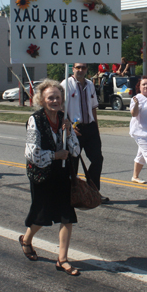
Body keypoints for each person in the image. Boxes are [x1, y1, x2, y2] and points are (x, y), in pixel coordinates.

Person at [20, 79, 81, 276]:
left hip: (62, 173)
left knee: (66, 216)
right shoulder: (35, 120)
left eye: (58, 97)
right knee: (41, 215)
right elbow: (31, 153)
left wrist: (69, 131)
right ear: (42, 100)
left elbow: (76, 150)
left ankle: (62, 259)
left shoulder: (64, 118)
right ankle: (27, 239)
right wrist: (55, 155)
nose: (55, 101)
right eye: (50, 97)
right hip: (42, 173)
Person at [61, 63, 109, 203]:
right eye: (78, 67)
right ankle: (72, 194)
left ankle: (93, 192)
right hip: (75, 128)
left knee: (97, 159)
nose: (81, 70)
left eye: (84, 68)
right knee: (73, 162)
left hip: (90, 128)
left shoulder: (90, 84)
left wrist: (96, 128)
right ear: (73, 69)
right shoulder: (66, 84)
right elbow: (62, 108)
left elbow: (93, 108)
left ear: (87, 69)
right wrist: (69, 126)